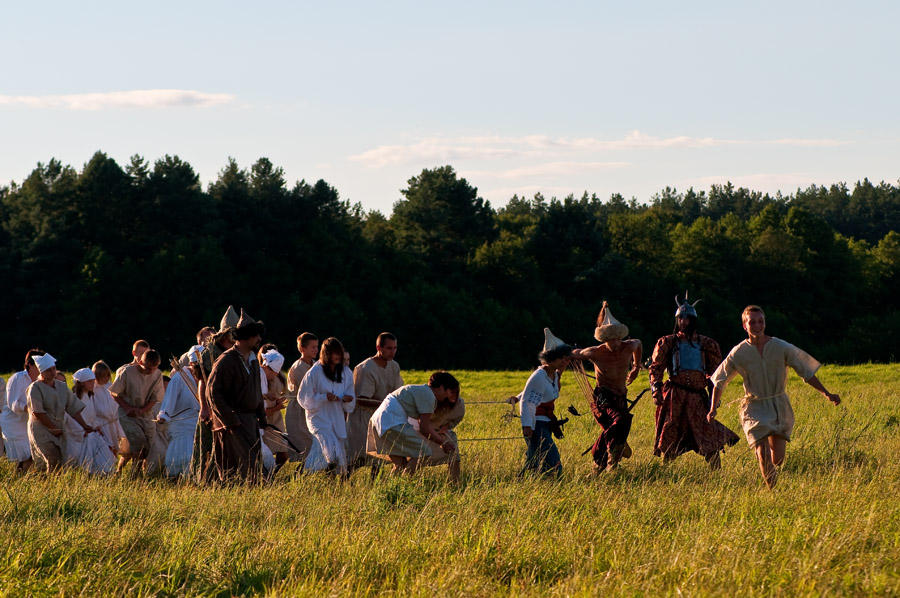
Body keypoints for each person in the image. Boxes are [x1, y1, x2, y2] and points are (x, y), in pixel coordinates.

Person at [709, 305, 841, 489]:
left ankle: (769, 465)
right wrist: (713, 407)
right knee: (762, 452)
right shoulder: (739, 352)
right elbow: (720, 381)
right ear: (744, 326)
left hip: (779, 405)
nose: (757, 325)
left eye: (760, 321)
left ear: (765, 322)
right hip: (754, 407)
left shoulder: (780, 347)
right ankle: (773, 492)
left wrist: (827, 393)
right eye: (752, 322)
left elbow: (806, 372)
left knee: (777, 459)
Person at [649, 293, 740, 469]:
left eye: (687, 318)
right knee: (670, 432)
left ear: (693, 320)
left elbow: (716, 373)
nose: (684, 321)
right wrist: (656, 390)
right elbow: (656, 367)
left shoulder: (707, 344)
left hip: (697, 397)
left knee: (708, 433)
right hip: (674, 395)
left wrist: (715, 396)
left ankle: (717, 474)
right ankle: (665, 473)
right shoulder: (667, 342)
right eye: (680, 318)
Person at [572, 302, 642, 473]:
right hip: (604, 397)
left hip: (621, 395)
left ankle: (609, 464)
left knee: (620, 427)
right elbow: (576, 353)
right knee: (619, 421)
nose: (616, 343)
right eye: (612, 339)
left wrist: (636, 367)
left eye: (618, 338)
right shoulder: (595, 352)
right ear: (605, 339)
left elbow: (639, 343)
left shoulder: (629, 346)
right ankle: (602, 460)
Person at [207, 309, 266, 483]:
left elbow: (256, 392)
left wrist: (261, 417)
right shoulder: (226, 361)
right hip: (232, 424)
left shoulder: (253, 361)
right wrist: (230, 419)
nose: (259, 340)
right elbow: (213, 393)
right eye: (256, 336)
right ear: (246, 336)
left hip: (249, 422)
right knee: (236, 471)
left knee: (253, 468)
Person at [368, 372, 459, 476]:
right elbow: (424, 427)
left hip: (379, 423)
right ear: (441, 387)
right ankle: (405, 483)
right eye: (450, 391)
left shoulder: (419, 390)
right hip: (392, 422)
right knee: (423, 452)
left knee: (400, 464)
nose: (449, 396)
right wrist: (443, 443)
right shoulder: (429, 395)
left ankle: (392, 489)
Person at [190, 305, 238, 484]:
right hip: (211, 408)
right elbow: (202, 381)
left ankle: (224, 480)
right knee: (208, 446)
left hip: (229, 407)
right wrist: (204, 407)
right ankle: (203, 481)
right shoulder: (210, 352)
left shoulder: (236, 352)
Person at [297, 338, 356, 477]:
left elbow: (350, 398)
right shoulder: (315, 372)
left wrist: (347, 399)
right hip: (319, 418)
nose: (337, 356)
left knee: (337, 455)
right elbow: (303, 398)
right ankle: (308, 475)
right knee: (328, 447)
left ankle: (324, 480)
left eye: (339, 353)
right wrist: (323, 397)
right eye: (333, 353)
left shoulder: (346, 373)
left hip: (336, 418)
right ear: (326, 354)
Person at [26, 354, 95, 472]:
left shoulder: (61, 386)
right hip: (41, 428)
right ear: (42, 372)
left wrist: (84, 426)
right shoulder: (35, 388)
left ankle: (47, 483)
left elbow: (73, 408)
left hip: (58, 428)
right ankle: (50, 485)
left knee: (60, 460)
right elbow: (38, 412)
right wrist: (52, 428)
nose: (52, 372)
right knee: (52, 458)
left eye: (53, 369)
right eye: (48, 370)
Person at [519, 329, 572, 477]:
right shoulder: (539, 376)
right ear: (551, 358)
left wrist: (516, 397)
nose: (565, 361)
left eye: (566, 358)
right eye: (561, 358)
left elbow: (533, 393)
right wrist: (527, 426)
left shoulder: (553, 375)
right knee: (551, 457)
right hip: (537, 424)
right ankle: (550, 480)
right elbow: (528, 401)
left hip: (546, 423)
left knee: (535, 459)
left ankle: (531, 482)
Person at [350, 332, 404, 474]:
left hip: (382, 418)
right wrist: (387, 403)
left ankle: (375, 488)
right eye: (389, 348)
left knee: (379, 458)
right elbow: (361, 399)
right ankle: (341, 486)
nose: (393, 351)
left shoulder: (394, 366)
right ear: (379, 348)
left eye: (395, 348)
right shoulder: (365, 368)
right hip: (363, 418)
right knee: (357, 457)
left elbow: (398, 392)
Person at [110, 349, 165, 476]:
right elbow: (114, 393)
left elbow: (155, 398)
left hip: (146, 415)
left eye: (154, 367)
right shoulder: (127, 372)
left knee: (149, 447)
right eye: (147, 368)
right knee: (139, 444)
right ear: (140, 362)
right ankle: (135, 475)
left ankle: (143, 474)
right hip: (127, 414)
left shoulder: (157, 374)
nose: (150, 371)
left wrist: (142, 410)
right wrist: (128, 408)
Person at [63, 368, 119, 474]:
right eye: (89, 381)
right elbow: (70, 419)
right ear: (82, 383)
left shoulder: (89, 397)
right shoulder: (74, 398)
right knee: (81, 464)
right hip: (79, 436)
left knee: (105, 458)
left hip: (92, 434)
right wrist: (82, 430)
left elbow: (92, 417)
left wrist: (96, 427)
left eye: (93, 381)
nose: (92, 384)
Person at [158, 358, 200, 478]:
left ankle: (192, 478)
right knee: (184, 452)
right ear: (192, 364)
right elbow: (170, 397)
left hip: (198, 422)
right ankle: (176, 476)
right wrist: (164, 414)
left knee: (195, 453)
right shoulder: (179, 378)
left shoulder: (206, 377)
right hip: (180, 422)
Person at [2, 349, 43, 473]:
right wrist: (30, 408)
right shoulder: (17, 378)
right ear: (30, 365)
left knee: (33, 456)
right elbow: (12, 403)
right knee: (22, 457)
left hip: (29, 424)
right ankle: (17, 479)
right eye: (38, 365)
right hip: (13, 424)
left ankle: (27, 480)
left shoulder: (40, 381)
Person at [284, 332, 318, 465]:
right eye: (312, 347)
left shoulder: (316, 365)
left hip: (312, 407)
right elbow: (310, 389)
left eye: (316, 347)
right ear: (303, 349)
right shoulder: (298, 367)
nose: (316, 350)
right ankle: (301, 474)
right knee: (303, 445)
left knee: (314, 444)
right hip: (299, 410)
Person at [260, 349, 290, 474]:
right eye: (275, 373)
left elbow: (259, 395)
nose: (275, 376)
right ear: (271, 369)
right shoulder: (260, 375)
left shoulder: (260, 374)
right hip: (257, 425)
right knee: (266, 461)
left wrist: (267, 396)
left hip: (261, 425)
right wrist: (276, 408)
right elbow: (261, 409)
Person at [89, 361, 125, 454]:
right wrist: (96, 424)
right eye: (103, 376)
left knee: (116, 447)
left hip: (114, 422)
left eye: (107, 375)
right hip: (102, 424)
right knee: (106, 448)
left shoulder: (110, 386)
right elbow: (92, 409)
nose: (106, 378)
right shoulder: (93, 390)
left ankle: (115, 466)